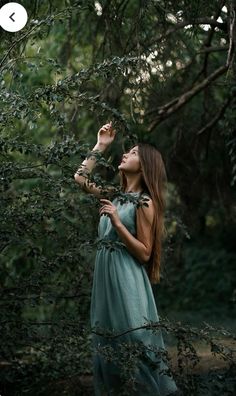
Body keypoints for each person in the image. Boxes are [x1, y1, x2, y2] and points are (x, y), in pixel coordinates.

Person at [74, 122, 179, 395]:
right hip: (106, 277)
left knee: (134, 340)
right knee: (107, 342)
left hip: (127, 278)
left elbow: (145, 252)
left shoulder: (144, 202)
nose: (125, 154)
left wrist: (118, 224)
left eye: (132, 153)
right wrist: (101, 146)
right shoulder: (115, 194)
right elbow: (80, 178)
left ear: (144, 166)